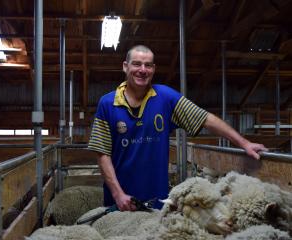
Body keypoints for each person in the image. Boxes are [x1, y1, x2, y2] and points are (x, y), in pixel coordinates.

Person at [88, 45, 267, 211]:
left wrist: (244, 143)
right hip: (121, 203)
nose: (142, 70)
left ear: (153, 69)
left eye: (148, 65)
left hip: (157, 202)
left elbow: (205, 118)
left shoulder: (166, 98)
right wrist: (117, 194)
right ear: (125, 67)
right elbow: (102, 153)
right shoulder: (107, 103)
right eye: (137, 64)